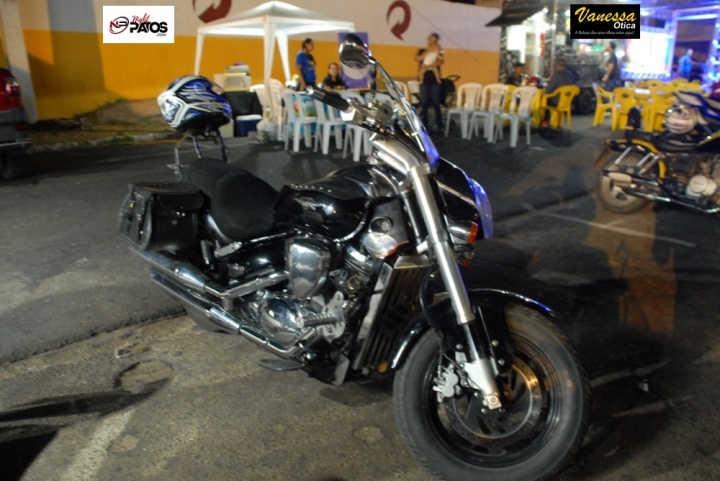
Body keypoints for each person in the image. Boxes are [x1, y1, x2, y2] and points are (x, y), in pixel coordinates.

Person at [415, 33, 444, 132]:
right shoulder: (423, 50)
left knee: (436, 102)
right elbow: (419, 58)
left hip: (434, 80)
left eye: (434, 41)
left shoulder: (438, 50)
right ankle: (425, 125)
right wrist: (428, 51)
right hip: (424, 81)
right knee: (424, 103)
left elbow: (440, 61)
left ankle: (439, 125)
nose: (432, 42)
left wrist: (429, 65)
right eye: (430, 40)